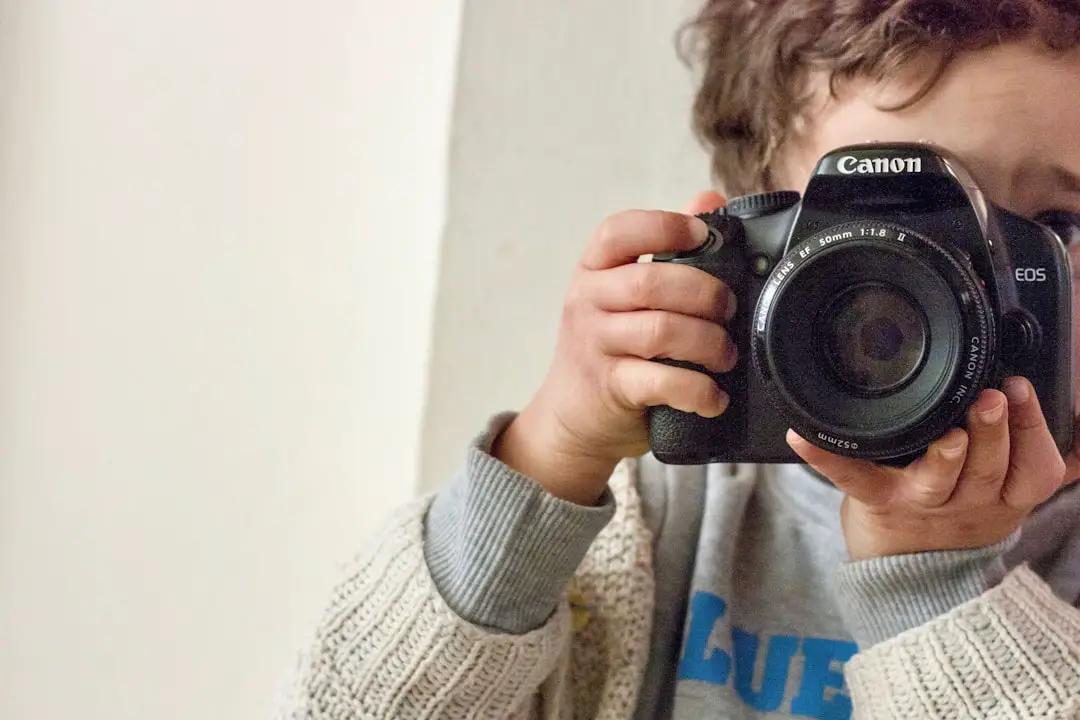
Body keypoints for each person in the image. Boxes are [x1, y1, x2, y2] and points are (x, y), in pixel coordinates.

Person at [273, 2, 1080, 718]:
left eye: (1058, 224)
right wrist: (550, 454)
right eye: (896, 229)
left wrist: (935, 587)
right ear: (748, 244)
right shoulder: (656, 519)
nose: (971, 280)